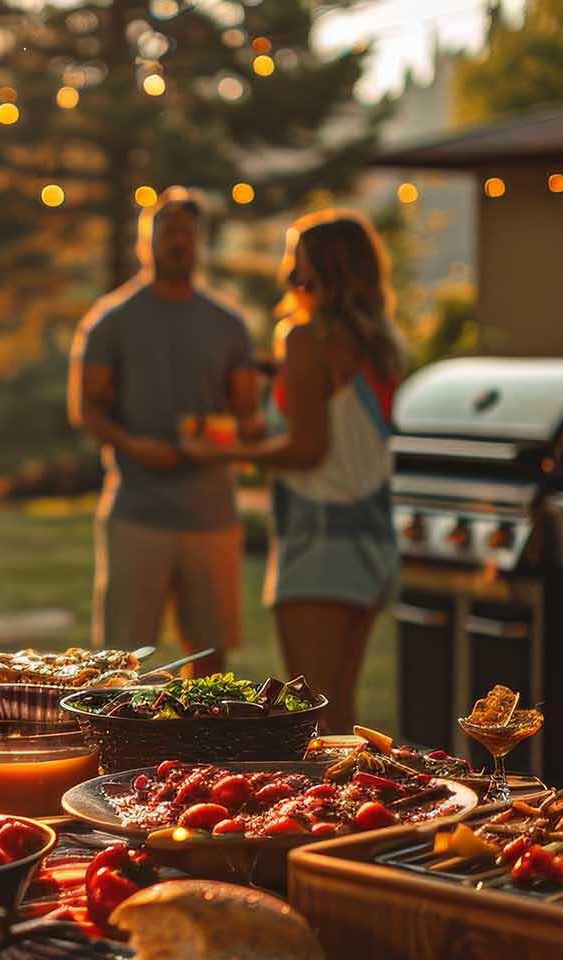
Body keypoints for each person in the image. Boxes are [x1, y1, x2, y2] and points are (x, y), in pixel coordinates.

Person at [183, 210, 403, 732]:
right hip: (373, 543)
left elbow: (307, 450)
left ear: (327, 275)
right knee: (341, 714)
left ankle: (334, 812)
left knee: (312, 719)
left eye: (298, 270)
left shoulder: (307, 339)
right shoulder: (381, 346)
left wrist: (225, 453)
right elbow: (338, 435)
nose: (289, 281)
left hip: (322, 543)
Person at [68, 189, 257, 676]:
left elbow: (247, 416)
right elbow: (85, 410)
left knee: (212, 659)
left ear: (199, 244)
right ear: (143, 243)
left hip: (212, 512)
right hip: (138, 510)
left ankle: (210, 748)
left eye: (186, 235)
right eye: (166, 234)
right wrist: (135, 445)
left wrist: (230, 434)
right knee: (125, 662)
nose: (177, 244)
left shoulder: (228, 324)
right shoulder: (112, 321)